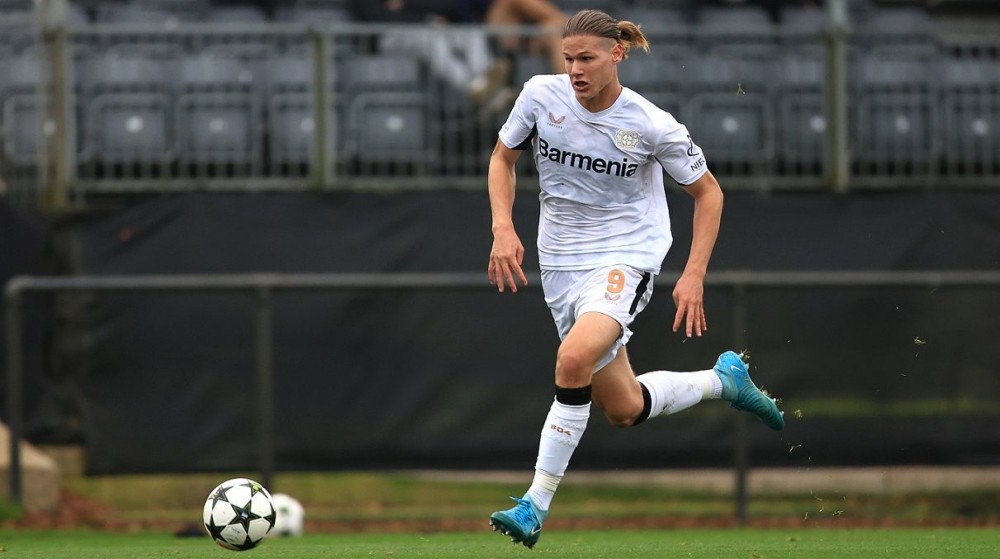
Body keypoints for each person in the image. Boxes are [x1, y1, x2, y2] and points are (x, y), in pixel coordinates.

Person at [485, 9, 784, 549]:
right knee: (622, 409)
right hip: (560, 265)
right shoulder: (539, 95)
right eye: (569, 58)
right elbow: (503, 158)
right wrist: (502, 226)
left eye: (587, 58)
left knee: (573, 360)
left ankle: (534, 504)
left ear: (617, 54)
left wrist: (693, 274)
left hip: (625, 257)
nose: (575, 69)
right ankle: (724, 381)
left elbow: (709, 193)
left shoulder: (650, 124)